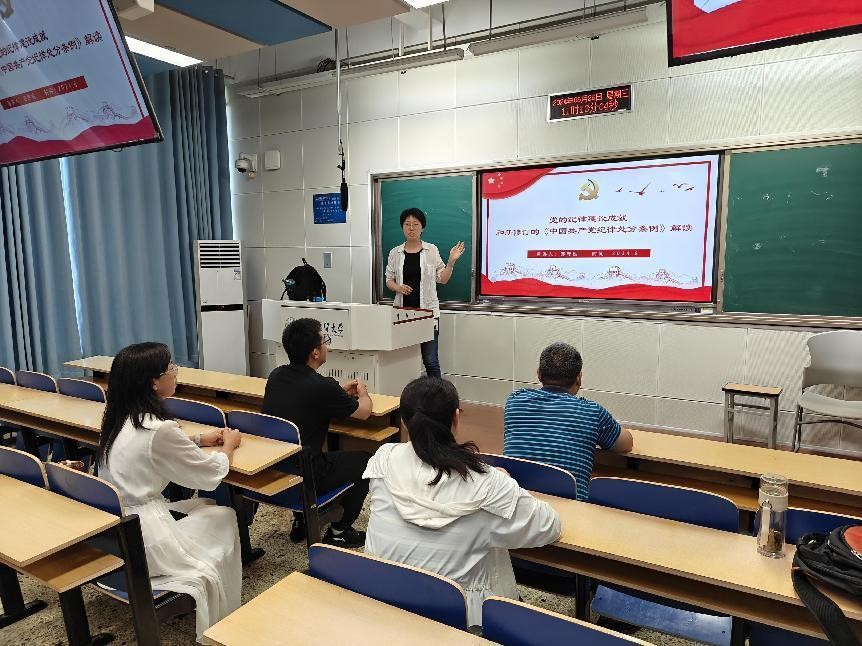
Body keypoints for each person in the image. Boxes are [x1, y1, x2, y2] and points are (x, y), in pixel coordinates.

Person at [363, 377, 561, 627]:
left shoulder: (383, 459)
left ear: (403, 421)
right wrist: (508, 484)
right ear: (456, 417)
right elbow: (550, 526)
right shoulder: (488, 483)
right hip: (457, 618)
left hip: (382, 597)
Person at [96, 342, 242, 642]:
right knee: (223, 515)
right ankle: (224, 616)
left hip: (118, 530)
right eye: (171, 367)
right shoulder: (159, 429)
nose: (176, 372)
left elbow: (150, 448)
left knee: (201, 506)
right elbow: (209, 472)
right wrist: (229, 445)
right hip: (146, 538)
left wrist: (198, 439)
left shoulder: (118, 418)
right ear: (153, 382)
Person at [262, 317, 373, 548]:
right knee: (367, 461)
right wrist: (362, 393)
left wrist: (337, 392)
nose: (327, 345)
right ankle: (339, 531)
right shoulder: (323, 387)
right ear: (314, 352)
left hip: (276, 469)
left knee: (309, 454)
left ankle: (302, 520)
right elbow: (364, 412)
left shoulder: (276, 376)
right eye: (325, 341)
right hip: (309, 475)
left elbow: (307, 395)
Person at [504, 342, 633, 501]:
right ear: (579, 378)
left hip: (519, 502)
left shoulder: (515, 401)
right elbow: (625, 444)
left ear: (539, 374)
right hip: (571, 508)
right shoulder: (593, 412)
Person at [385, 207, 466, 378]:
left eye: (416, 224)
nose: (411, 228)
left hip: (428, 314)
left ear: (422, 227)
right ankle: (408, 393)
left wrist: (451, 263)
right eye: (407, 224)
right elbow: (388, 280)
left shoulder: (432, 250)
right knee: (403, 360)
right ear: (402, 227)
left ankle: (438, 394)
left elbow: (443, 279)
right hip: (403, 314)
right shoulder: (395, 253)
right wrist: (398, 287)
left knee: (430, 360)